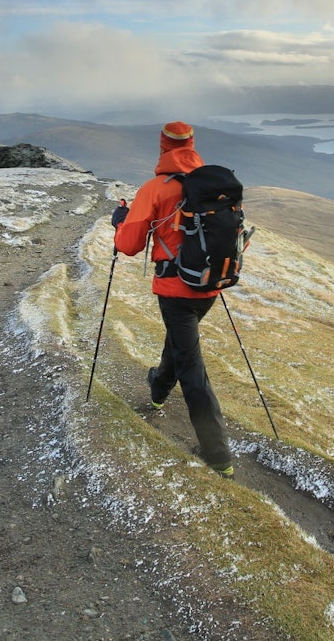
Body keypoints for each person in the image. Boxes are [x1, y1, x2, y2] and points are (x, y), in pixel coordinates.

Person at [112, 121, 234, 477]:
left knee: (192, 367)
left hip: (176, 290)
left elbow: (129, 246)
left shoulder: (155, 189)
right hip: (211, 286)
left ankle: (218, 455)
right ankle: (158, 389)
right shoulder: (217, 186)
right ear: (192, 146)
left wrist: (120, 222)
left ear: (163, 148)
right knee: (181, 344)